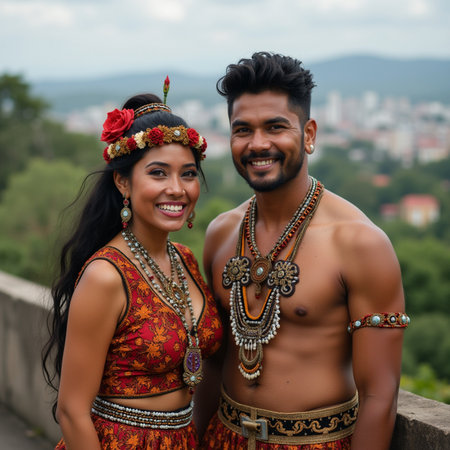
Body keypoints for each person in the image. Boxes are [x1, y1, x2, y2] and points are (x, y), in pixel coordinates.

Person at [196, 52, 409, 450]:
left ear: (308, 133)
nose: (258, 144)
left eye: (275, 127)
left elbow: (380, 395)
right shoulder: (222, 233)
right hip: (222, 438)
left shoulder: (360, 243)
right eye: (243, 130)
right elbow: (212, 364)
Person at [42, 85, 223, 449]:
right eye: (158, 173)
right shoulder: (106, 276)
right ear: (123, 181)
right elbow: (72, 411)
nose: (177, 189)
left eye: (188, 174)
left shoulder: (185, 260)